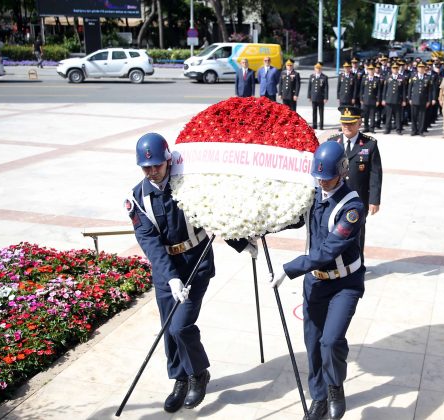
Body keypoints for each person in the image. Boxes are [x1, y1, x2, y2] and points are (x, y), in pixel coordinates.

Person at [127, 133, 256, 413]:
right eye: (146, 168)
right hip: (166, 270)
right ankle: (179, 378)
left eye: (157, 166)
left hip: (196, 261)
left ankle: (199, 373)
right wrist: (171, 278)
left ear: (168, 160)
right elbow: (149, 242)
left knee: (180, 326)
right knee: (169, 331)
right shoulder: (138, 198)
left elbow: (212, 215)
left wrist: (242, 243)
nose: (152, 172)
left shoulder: (188, 184)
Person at [269, 140, 366, 420]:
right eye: (319, 178)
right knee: (312, 342)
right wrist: (263, 222)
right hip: (316, 282)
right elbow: (293, 218)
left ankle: (335, 388)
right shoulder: (312, 194)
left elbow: (327, 251)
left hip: (344, 283)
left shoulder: (352, 207)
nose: (323, 183)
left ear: (343, 171)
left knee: (331, 341)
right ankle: (319, 397)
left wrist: (289, 269)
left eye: (329, 178)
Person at [326, 106, 382, 259]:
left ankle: (357, 263)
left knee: (357, 233)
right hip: (335, 198)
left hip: (357, 199)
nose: (347, 127)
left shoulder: (369, 144)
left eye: (351, 123)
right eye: (344, 123)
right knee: (334, 232)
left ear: (359, 123)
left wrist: (374, 200)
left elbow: (375, 174)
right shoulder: (333, 142)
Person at [407, 62, 434, 136]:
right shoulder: (413, 77)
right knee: (414, 116)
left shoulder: (427, 78)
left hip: (423, 100)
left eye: (422, 67)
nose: (421, 69)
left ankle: (420, 131)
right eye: (419, 67)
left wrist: (429, 100)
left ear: (424, 68)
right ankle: (414, 130)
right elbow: (409, 89)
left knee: (422, 117)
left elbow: (430, 91)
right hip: (414, 99)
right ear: (417, 68)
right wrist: (409, 98)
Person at [381, 62, 406, 135]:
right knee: (388, 116)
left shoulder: (402, 77)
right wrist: (383, 99)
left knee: (398, 116)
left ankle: (398, 129)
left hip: (398, 100)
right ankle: (387, 129)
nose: (395, 70)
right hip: (389, 100)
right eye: (393, 68)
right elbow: (385, 89)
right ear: (391, 69)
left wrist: (404, 100)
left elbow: (404, 90)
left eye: (396, 68)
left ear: (398, 69)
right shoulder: (388, 77)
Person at [359, 64, 382, 133]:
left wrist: (378, 100)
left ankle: (372, 128)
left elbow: (379, 91)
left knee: (372, 115)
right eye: (369, 70)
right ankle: (366, 127)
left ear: (374, 70)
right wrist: (361, 99)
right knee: (365, 115)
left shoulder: (377, 79)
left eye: (372, 70)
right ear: (368, 71)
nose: (371, 71)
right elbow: (361, 90)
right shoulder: (364, 78)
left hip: (373, 100)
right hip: (365, 99)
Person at [307, 62, 328, 130]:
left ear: (321, 69)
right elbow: (309, 87)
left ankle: (321, 125)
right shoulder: (312, 76)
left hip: (321, 97)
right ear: (314, 69)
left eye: (319, 69)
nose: (318, 70)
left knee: (321, 112)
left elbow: (326, 88)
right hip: (313, 97)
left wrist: (326, 97)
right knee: (314, 111)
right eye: (316, 68)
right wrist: (309, 96)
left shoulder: (324, 77)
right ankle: (314, 125)